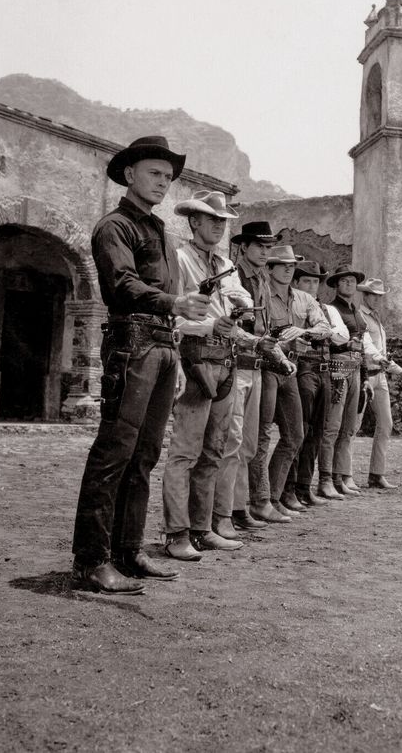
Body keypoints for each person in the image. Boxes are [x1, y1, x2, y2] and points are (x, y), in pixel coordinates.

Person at [71, 135, 210, 594]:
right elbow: (122, 286)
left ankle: (129, 552)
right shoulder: (114, 227)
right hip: (132, 345)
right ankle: (91, 561)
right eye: (155, 173)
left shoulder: (162, 233)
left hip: (163, 347)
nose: (163, 183)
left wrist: (177, 311)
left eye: (169, 178)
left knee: (145, 455)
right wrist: (173, 301)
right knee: (114, 452)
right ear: (129, 174)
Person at [162, 191, 254, 560]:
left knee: (214, 450)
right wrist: (209, 324)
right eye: (211, 219)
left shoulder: (223, 264)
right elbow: (173, 317)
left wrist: (242, 307)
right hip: (193, 358)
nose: (218, 226)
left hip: (225, 359)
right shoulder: (179, 260)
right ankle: (175, 533)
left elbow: (241, 297)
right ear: (194, 221)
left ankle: (203, 529)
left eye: (222, 221)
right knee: (185, 451)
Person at [214, 221, 290, 531]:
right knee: (230, 442)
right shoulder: (234, 276)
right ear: (243, 246)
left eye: (268, 247)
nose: (264, 252)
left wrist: (279, 357)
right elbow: (235, 325)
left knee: (248, 444)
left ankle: (239, 506)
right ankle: (222, 512)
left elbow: (265, 328)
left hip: (256, 366)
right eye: (259, 246)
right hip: (234, 364)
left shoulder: (262, 280)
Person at [250, 244, 330, 520]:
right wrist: (286, 341)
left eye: (291, 265)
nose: (287, 269)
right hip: (267, 367)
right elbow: (260, 332)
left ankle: (273, 496)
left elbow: (324, 328)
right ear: (269, 268)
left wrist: (304, 332)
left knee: (295, 434)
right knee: (261, 437)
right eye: (281, 264)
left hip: (290, 369)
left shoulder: (304, 299)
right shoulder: (262, 294)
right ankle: (260, 501)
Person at [285, 260, 349, 507]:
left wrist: (323, 331)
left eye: (315, 281)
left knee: (317, 432)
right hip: (304, 368)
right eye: (307, 281)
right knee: (298, 430)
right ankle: (288, 490)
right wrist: (320, 332)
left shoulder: (324, 308)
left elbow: (340, 335)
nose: (312, 285)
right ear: (297, 283)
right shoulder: (294, 304)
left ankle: (304, 487)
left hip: (325, 369)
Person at [316, 264, 375, 498]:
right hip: (337, 369)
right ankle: (325, 479)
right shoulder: (331, 310)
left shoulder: (357, 313)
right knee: (332, 426)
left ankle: (341, 476)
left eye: (352, 280)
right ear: (336, 285)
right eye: (344, 280)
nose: (349, 284)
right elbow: (328, 341)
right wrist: (344, 344)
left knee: (349, 427)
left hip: (356, 370)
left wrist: (366, 377)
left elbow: (362, 347)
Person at [357, 278, 402, 489]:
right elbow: (367, 346)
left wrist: (399, 370)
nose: (376, 299)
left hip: (380, 377)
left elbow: (382, 353)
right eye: (373, 295)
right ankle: (340, 476)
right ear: (365, 295)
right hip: (365, 375)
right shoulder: (359, 317)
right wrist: (381, 360)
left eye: (379, 296)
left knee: (386, 424)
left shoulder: (377, 320)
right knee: (353, 426)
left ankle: (376, 474)